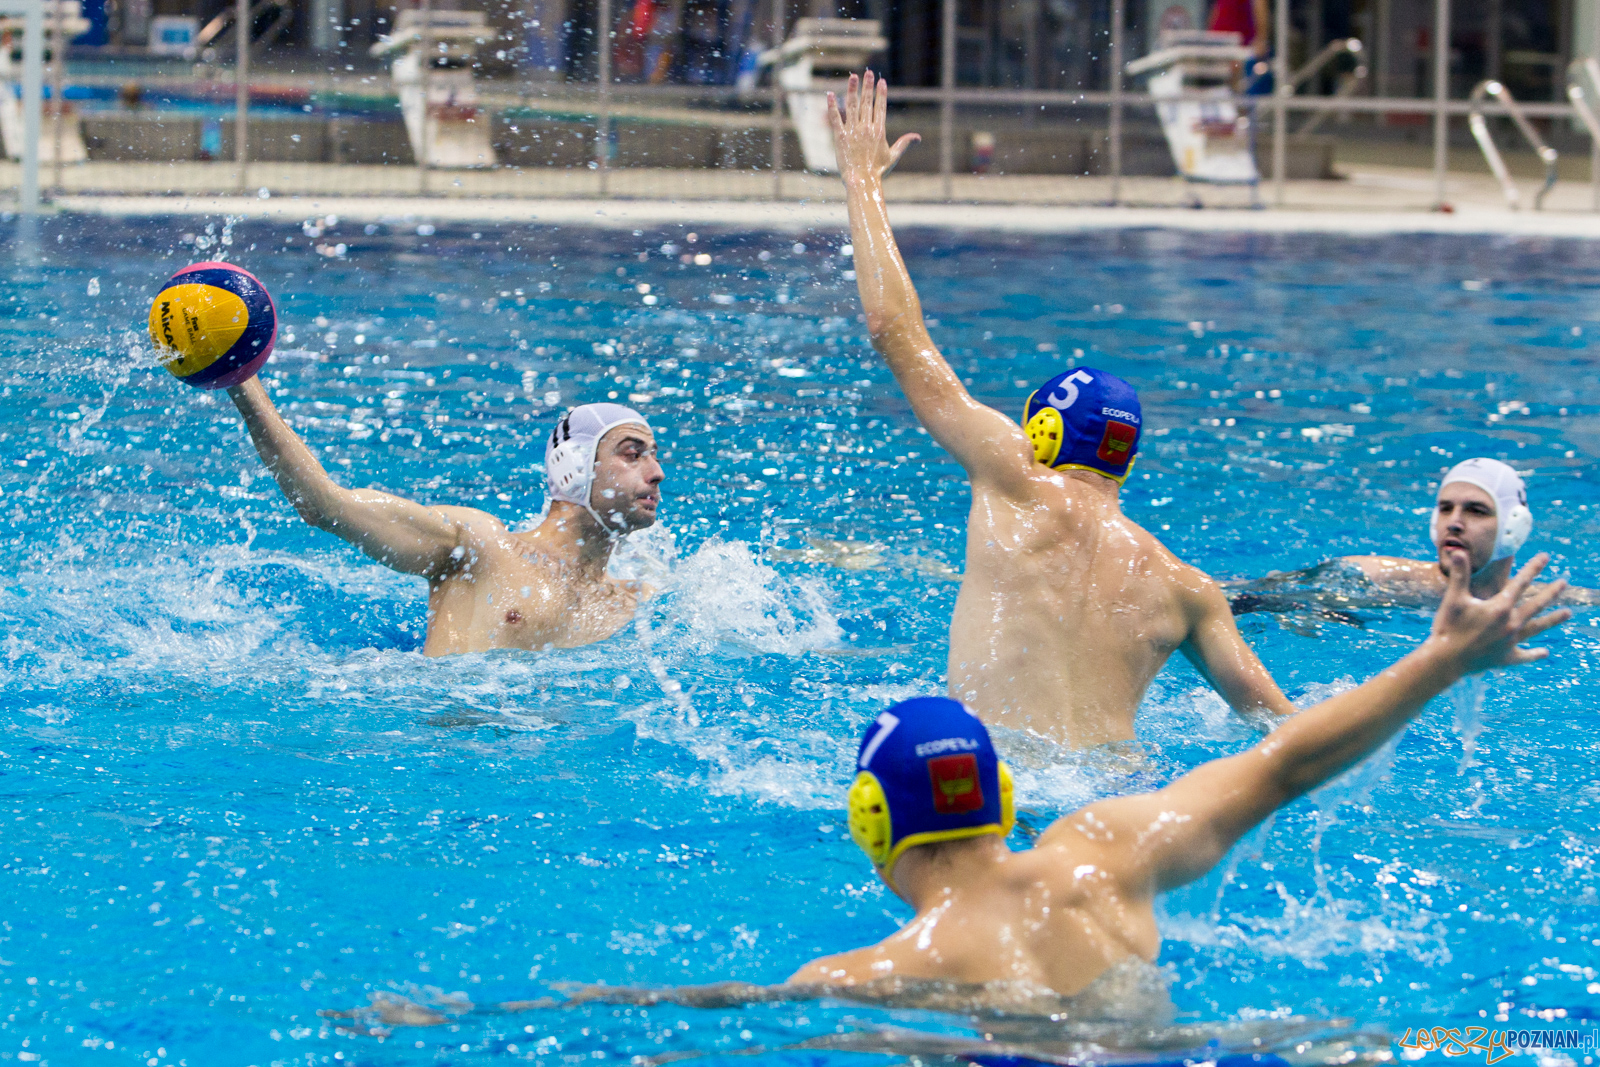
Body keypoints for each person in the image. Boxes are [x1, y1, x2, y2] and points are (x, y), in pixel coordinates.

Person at [788, 548, 1568, 996]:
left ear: (870, 818)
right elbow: (1288, 758)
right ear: (1002, 795)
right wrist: (1440, 660)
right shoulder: (1105, 851)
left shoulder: (862, 976)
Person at [827, 71, 1296, 748]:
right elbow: (1284, 730)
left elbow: (893, 329)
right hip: (1116, 800)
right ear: (1127, 458)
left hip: (1003, 781)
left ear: (1041, 434)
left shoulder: (1011, 474)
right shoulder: (1186, 587)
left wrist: (862, 182)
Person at [226, 377, 664, 655]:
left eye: (654, 457)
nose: (656, 472)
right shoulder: (481, 547)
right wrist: (243, 383)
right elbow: (323, 504)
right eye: (632, 454)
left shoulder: (639, 602)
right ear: (575, 465)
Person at [1228, 457, 1598, 618]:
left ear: (1513, 528)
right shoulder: (1371, 577)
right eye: (1445, 508)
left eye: (1476, 510)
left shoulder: (1555, 603)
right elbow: (1242, 594)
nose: (1454, 522)